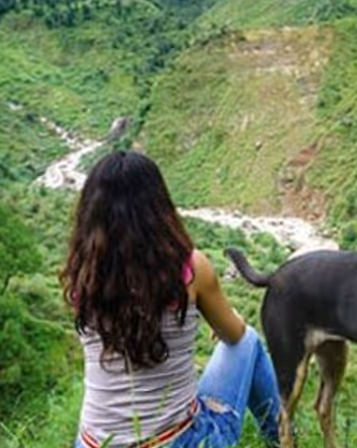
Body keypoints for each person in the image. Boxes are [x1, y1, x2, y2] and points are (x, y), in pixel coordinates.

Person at [61, 150, 280, 448]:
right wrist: (232, 319)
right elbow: (235, 336)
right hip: (176, 441)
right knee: (248, 340)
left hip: (93, 443)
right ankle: (284, 439)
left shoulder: (82, 276)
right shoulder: (190, 269)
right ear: (159, 206)